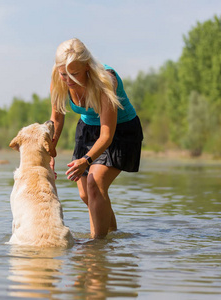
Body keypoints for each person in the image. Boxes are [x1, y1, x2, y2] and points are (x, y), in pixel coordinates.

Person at [49, 38, 143, 239]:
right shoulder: (59, 79)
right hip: (88, 130)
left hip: (120, 130)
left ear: (87, 67)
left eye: (74, 74)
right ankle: (112, 239)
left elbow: (107, 134)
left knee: (94, 183)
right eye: (64, 73)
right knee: (86, 194)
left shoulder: (105, 80)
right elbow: (56, 119)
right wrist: (50, 151)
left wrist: (86, 160)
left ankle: (96, 247)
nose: (68, 80)